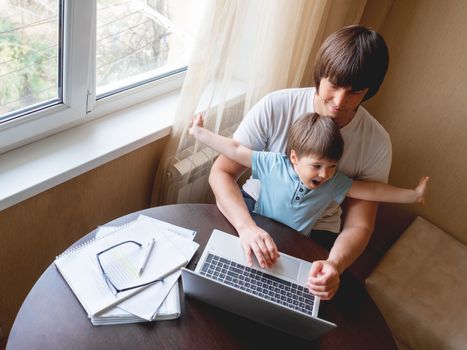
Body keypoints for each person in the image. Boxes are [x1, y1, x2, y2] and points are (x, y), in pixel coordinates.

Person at [208, 25, 393, 300]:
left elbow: (360, 225)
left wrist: (335, 264)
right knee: (218, 291)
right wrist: (247, 228)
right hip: (253, 212)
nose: (339, 102)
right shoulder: (276, 106)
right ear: (320, 74)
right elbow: (221, 172)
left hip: (315, 235)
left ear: (369, 91)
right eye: (334, 85)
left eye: (355, 92)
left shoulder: (376, 142)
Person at [189, 113, 428, 295]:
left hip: (294, 245)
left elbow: (372, 190)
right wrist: (200, 133)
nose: (325, 174)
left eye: (332, 166)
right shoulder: (272, 163)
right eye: (317, 166)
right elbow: (235, 149)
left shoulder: (334, 183)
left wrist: (412, 195)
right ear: (294, 158)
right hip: (257, 230)